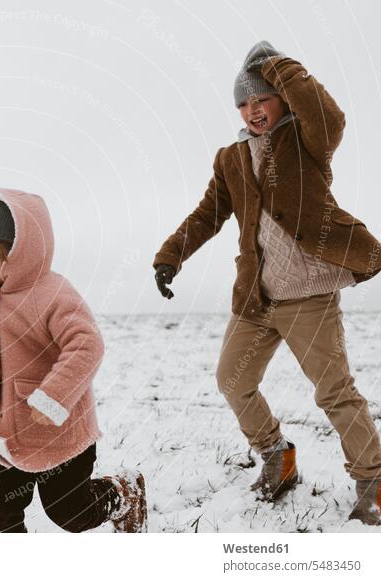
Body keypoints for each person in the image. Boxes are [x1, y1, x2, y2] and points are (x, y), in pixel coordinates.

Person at [153, 41, 381, 525]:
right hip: (256, 298)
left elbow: (330, 115)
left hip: (309, 297)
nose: (253, 110)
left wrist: (274, 65)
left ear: (281, 98)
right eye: (243, 102)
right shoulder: (231, 157)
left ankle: (373, 479)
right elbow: (207, 215)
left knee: (334, 392)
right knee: (232, 380)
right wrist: (171, 256)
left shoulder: (306, 140)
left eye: (263, 98)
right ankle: (277, 454)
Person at [0, 183, 147, 533]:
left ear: (22, 248)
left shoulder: (52, 292)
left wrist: (54, 395)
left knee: (71, 514)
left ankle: (123, 493)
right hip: (7, 434)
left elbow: (86, 344)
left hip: (61, 433)